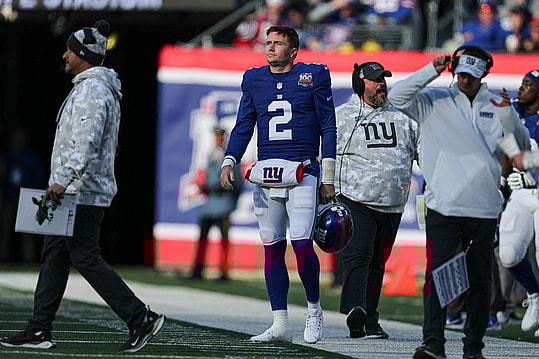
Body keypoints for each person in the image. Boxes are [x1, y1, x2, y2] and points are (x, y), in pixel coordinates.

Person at [0, 20, 165, 352]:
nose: (63, 56)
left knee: (84, 257)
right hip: (77, 189)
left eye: (69, 50)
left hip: (81, 190)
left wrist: (63, 179)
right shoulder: (89, 86)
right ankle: (39, 329)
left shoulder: (92, 90)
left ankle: (139, 317)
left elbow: (86, 142)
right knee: (55, 257)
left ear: (82, 54)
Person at [388, 45, 530, 359]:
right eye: (462, 74)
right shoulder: (433, 100)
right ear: (454, 71)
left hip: (482, 207)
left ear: (485, 74)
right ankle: (433, 344)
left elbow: (518, 149)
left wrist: (508, 115)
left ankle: (473, 348)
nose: (466, 80)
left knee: (480, 282)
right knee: (439, 276)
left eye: (472, 75)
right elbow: (396, 96)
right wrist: (430, 70)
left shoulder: (498, 104)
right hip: (443, 205)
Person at [219, 25, 337, 344]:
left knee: (301, 242)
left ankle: (314, 311)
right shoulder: (254, 79)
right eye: (268, 42)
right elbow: (244, 126)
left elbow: (329, 127)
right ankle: (280, 323)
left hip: (303, 169)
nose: (270, 48)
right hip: (268, 171)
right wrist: (229, 160)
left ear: (293, 50)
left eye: (278, 43)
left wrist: (328, 177)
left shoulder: (313, 76)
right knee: (272, 247)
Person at [335, 61, 418, 339]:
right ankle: (358, 311)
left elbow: (421, 150)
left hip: (394, 202)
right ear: (360, 83)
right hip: (356, 198)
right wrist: (328, 190)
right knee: (360, 257)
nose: (381, 84)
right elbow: (326, 155)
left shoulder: (403, 115)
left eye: (383, 79)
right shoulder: (343, 116)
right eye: (375, 79)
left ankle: (369, 317)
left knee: (378, 263)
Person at [500, 69, 539, 335]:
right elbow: (501, 139)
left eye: (528, 84)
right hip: (521, 194)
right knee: (509, 255)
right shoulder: (512, 110)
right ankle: (535, 295)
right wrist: (504, 179)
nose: (521, 88)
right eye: (522, 82)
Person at [191, 125, 243, 280]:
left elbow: (238, 183)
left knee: (224, 240)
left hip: (223, 203)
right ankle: (197, 270)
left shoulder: (231, 157)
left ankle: (224, 271)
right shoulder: (211, 155)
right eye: (216, 137)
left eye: (220, 137)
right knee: (202, 239)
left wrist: (232, 203)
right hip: (209, 204)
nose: (218, 140)